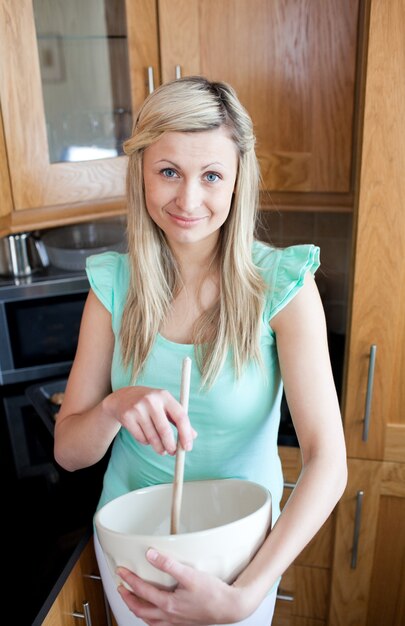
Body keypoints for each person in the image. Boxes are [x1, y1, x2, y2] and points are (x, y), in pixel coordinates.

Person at [54, 76, 347, 626]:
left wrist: (245, 594)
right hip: (131, 552)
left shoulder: (283, 286)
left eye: (211, 175)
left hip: (238, 559)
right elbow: (70, 453)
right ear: (141, 172)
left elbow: (328, 463)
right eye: (169, 172)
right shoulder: (113, 286)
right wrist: (116, 407)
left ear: (238, 180)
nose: (188, 200)